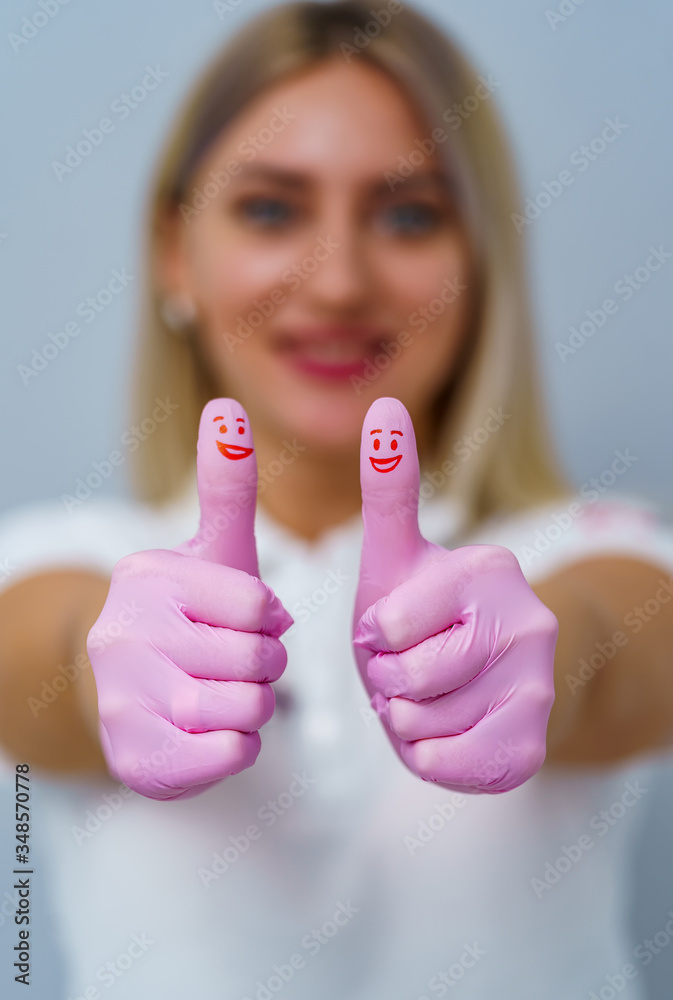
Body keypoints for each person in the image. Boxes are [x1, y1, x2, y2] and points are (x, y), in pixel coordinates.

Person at [1, 2, 672, 997]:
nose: (338, 280)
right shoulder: (56, 556)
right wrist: (100, 663)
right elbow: (38, 655)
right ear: (174, 251)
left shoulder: (595, 548)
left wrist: (549, 656)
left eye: (408, 214)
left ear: (481, 261)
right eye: (271, 209)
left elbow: (621, 641)